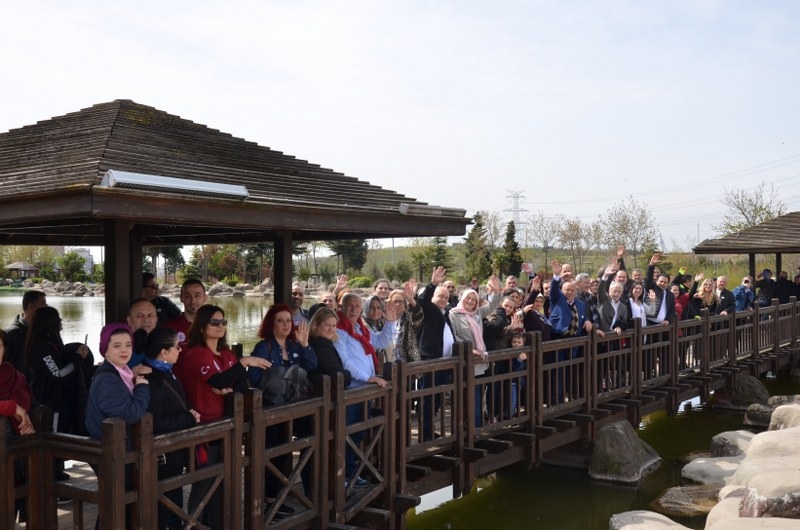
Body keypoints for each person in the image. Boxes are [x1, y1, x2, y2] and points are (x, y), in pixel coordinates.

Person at [178, 304, 269, 529]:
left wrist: (227, 384)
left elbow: (238, 383)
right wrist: (242, 364)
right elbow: (219, 381)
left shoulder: (226, 353)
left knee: (224, 481)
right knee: (204, 482)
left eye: (223, 322)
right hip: (204, 428)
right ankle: (194, 525)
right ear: (201, 327)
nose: (220, 326)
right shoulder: (195, 354)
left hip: (227, 426)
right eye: (214, 322)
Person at [334, 292, 397, 487]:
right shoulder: (339, 330)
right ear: (342, 307)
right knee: (346, 436)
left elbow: (379, 342)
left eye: (357, 306)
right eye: (349, 306)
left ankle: (352, 474)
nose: (353, 309)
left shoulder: (360, 328)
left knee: (358, 434)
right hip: (352, 390)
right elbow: (344, 362)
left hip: (365, 391)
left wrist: (390, 322)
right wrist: (367, 377)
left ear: (362, 309)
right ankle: (342, 477)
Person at [142, 327, 201, 530]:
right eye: (177, 347)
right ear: (164, 352)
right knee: (167, 510)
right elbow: (155, 423)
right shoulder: (151, 378)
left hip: (173, 452)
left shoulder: (166, 372)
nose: (180, 350)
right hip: (162, 456)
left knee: (173, 505)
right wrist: (188, 418)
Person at [449, 277, 501, 426]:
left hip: (478, 363)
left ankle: (476, 427)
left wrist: (496, 291)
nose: (470, 301)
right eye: (468, 298)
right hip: (464, 361)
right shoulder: (454, 314)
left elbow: (492, 306)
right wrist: (469, 350)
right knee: (467, 397)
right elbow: (455, 336)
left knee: (477, 396)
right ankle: (469, 427)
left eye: (474, 299)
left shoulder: (477, 313)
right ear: (462, 298)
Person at [164, 278, 208, 378]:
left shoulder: (214, 325)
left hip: (207, 383)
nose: (193, 301)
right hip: (179, 386)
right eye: (188, 296)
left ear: (205, 298)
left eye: (197, 296)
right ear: (181, 298)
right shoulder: (170, 327)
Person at [5, 289, 47, 375]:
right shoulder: (11, 334)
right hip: (20, 386)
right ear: (31, 306)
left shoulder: (45, 330)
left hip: (40, 386)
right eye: (43, 303)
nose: (47, 307)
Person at [126, 298, 158, 367]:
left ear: (156, 320)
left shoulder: (163, 344)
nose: (146, 320)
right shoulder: (120, 346)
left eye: (150, 316)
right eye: (140, 316)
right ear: (129, 320)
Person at [362, 295, 390, 365]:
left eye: (378, 307)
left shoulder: (381, 323)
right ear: (366, 308)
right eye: (372, 307)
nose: (375, 311)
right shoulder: (361, 324)